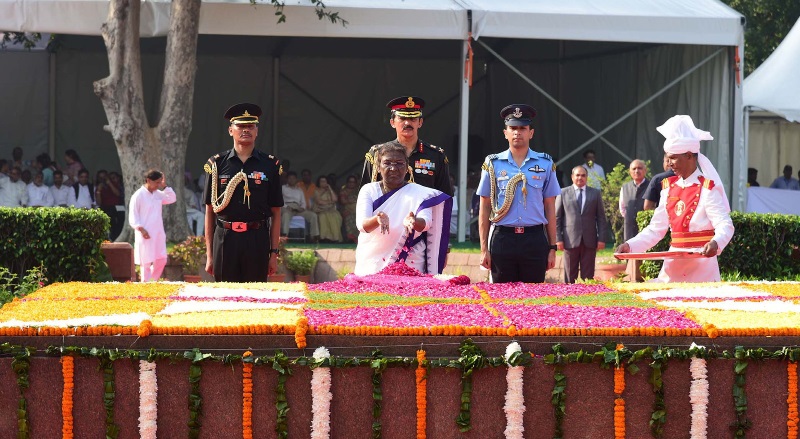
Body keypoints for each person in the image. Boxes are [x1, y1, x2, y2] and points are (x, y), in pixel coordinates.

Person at [616, 115, 734, 283]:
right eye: (668, 158)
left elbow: (725, 225)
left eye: (673, 157)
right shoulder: (668, 187)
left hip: (702, 267)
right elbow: (656, 229)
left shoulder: (707, 188)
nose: (669, 163)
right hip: (673, 267)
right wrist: (631, 245)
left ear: (688, 156)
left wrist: (716, 242)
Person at [477, 104, 560, 283]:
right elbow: (484, 207)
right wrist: (484, 249)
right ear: (505, 133)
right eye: (513, 128)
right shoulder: (493, 164)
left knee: (533, 299)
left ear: (531, 133)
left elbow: (550, 207)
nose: (517, 133)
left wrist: (552, 247)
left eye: (522, 128)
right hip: (502, 238)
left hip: (534, 239)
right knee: (501, 297)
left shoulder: (545, 163)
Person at [202, 103, 284, 282]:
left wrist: (273, 254)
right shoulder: (216, 164)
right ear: (231, 130)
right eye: (240, 126)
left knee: (255, 297)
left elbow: (276, 212)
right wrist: (209, 255)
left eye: (250, 126)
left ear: (256, 131)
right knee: (225, 297)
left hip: (257, 238)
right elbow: (209, 210)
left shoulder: (270, 165)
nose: (246, 130)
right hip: (225, 238)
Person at [355, 142, 451, 275]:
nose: (393, 168)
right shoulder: (369, 190)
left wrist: (413, 220)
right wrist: (377, 219)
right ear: (378, 167)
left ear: (407, 168)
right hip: (372, 263)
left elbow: (425, 223)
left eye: (399, 163)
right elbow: (362, 225)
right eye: (387, 163)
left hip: (411, 263)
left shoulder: (420, 194)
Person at [361, 96, 453, 196]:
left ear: (420, 122)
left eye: (413, 119)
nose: (407, 123)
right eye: (402, 118)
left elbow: (445, 197)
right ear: (392, 122)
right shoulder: (377, 154)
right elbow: (365, 195)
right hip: (386, 211)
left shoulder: (436, 156)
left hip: (423, 211)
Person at [555, 166, 608, 283]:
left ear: (587, 177)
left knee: (588, 276)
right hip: (570, 240)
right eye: (577, 175)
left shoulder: (595, 193)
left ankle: (587, 297)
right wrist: (558, 239)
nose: (580, 178)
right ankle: (569, 297)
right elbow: (557, 218)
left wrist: (602, 239)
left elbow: (601, 218)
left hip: (589, 240)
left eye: (583, 175)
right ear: (572, 177)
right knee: (569, 275)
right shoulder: (563, 192)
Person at [129, 169, 176, 282]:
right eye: (157, 182)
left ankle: (152, 281)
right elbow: (133, 215)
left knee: (162, 259)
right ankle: (146, 285)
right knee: (145, 262)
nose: (158, 185)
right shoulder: (138, 195)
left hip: (158, 232)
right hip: (144, 233)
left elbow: (172, 198)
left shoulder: (158, 194)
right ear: (149, 180)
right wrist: (141, 229)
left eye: (160, 182)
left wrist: (165, 186)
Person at [619, 159, 648, 282]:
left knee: (646, 253)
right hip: (629, 226)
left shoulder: (652, 185)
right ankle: (630, 279)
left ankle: (645, 279)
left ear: (645, 170)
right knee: (629, 251)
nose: (637, 171)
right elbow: (622, 208)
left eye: (640, 168)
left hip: (646, 228)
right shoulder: (625, 187)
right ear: (630, 172)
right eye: (634, 169)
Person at [280, 171, 320, 241]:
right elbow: (279, 200)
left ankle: (314, 236)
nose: (291, 180)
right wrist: (287, 207)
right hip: (287, 206)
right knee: (285, 215)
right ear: (287, 179)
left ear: (296, 180)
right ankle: (284, 236)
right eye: (290, 178)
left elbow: (303, 202)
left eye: (293, 178)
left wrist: (302, 208)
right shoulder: (283, 188)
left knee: (313, 215)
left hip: (298, 208)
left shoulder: (299, 190)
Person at [312, 175, 343, 242]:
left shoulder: (329, 190)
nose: (323, 183)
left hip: (331, 210)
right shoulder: (316, 191)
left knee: (336, 216)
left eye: (325, 181)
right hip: (320, 210)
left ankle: (335, 238)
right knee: (323, 216)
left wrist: (330, 189)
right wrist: (330, 202)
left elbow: (335, 199)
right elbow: (319, 202)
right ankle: (324, 238)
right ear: (319, 182)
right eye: (321, 181)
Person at [100, 171, 125, 240]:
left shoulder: (118, 185)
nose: (112, 180)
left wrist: (110, 183)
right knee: (111, 225)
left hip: (119, 208)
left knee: (120, 224)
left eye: (113, 178)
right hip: (108, 209)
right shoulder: (103, 187)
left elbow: (118, 194)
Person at [339, 175, 359, 243]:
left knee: (358, 217)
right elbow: (343, 201)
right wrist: (352, 201)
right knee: (349, 217)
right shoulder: (343, 191)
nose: (351, 184)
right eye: (350, 182)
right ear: (347, 183)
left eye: (353, 182)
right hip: (346, 210)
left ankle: (357, 238)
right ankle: (350, 238)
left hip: (357, 210)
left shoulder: (358, 191)